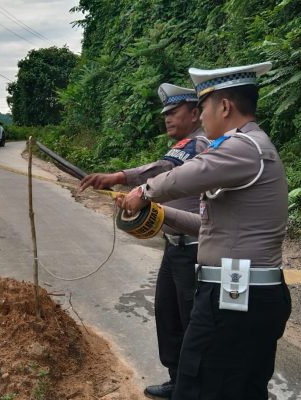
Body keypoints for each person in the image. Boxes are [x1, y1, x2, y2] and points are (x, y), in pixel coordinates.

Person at [118, 62, 291, 399]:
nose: (200, 116)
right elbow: (207, 225)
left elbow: (186, 175)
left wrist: (143, 192)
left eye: (203, 107)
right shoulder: (248, 149)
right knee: (238, 388)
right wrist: (156, 212)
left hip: (235, 295)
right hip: (240, 292)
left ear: (224, 106)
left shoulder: (243, 147)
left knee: (201, 386)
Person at [80, 83, 209, 399]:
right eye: (165, 113)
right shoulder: (182, 144)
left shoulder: (197, 144)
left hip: (194, 250)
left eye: (173, 112)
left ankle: (195, 388)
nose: (167, 118)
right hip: (174, 246)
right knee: (168, 316)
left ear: (195, 113)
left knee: (193, 324)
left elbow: (161, 170)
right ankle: (177, 380)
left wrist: (119, 177)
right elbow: (160, 178)